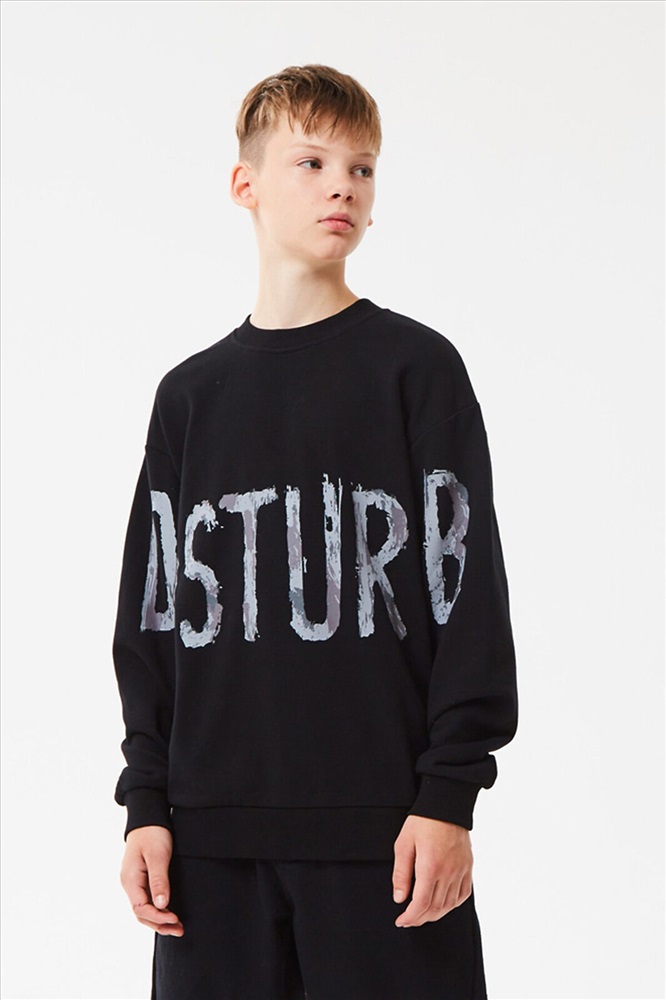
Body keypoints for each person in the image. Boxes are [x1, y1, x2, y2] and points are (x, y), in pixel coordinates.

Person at [113, 63, 519, 1000]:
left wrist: (449, 794)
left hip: (387, 842)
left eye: (362, 168)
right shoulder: (189, 399)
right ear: (245, 184)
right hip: (208, 855)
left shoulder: (416, 371)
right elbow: (153, 620)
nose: (344, 186)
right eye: (312, 162)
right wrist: (145, 804)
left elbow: (468, 599)